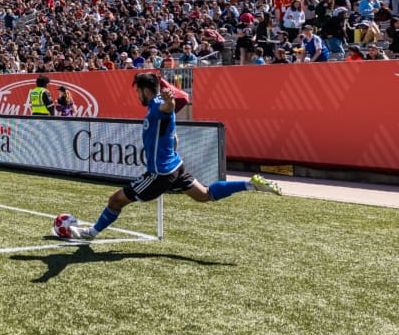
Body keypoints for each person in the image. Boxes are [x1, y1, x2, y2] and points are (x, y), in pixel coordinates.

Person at [65, 72, 282, 241]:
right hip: (174, 166)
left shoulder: (158, 104)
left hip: (160, 172)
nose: (137, 95)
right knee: (204, 195)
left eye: (137, 91)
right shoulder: (154, 105)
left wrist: (169, 102)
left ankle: (90, 234)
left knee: (116, 200)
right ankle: (251, 185)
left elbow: (167, 108)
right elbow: (170, 130)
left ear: (144, 90)